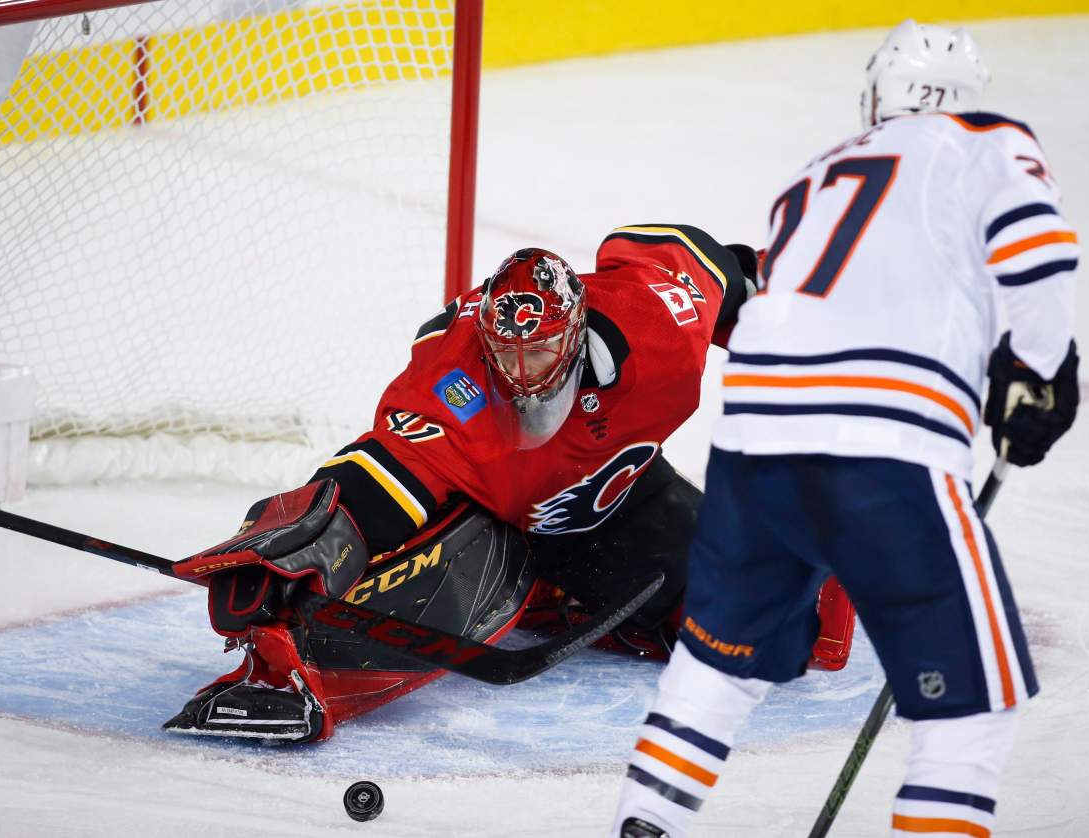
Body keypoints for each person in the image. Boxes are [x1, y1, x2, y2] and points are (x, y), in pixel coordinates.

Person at [612, 20, 1079, 838]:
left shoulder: (811, 179)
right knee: (976, 702)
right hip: (883, 451)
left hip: (753, 453)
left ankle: (643, 823)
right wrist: (1042, 372)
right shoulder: (983, 143)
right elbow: (1037, 249)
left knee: (717, 670)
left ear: (878, 94)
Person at [160, 224, 857, 744]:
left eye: (543, 351)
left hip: (618, 503)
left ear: (577, 330)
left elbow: (716, 268)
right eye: (508, 354)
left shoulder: (654, 320)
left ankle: (566, 597)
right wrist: (300, 545)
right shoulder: (453, 380)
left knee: (789, 640)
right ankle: (296, 669)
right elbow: (378, 478)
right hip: (497, 523)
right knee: (435, 568)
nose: (524, 373)